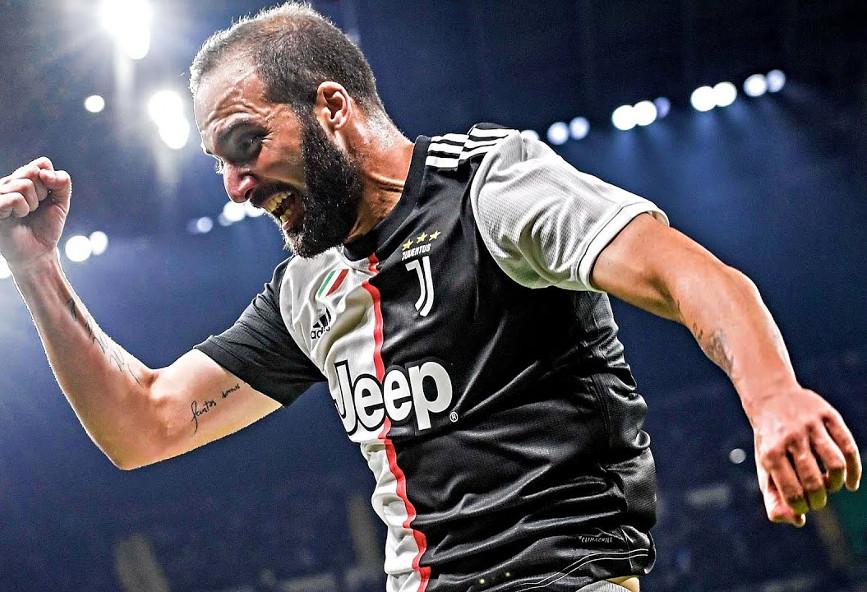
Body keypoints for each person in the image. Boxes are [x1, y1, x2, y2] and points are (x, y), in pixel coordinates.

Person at [0, 3, 860, 591]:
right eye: (219, 162)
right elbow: (144, 425)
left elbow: (687, 274)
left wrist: (771, 395)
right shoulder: (308, 289)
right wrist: (37, 269)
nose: (235, 185)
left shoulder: (490, 190)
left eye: (245, 142)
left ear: (331, 107)